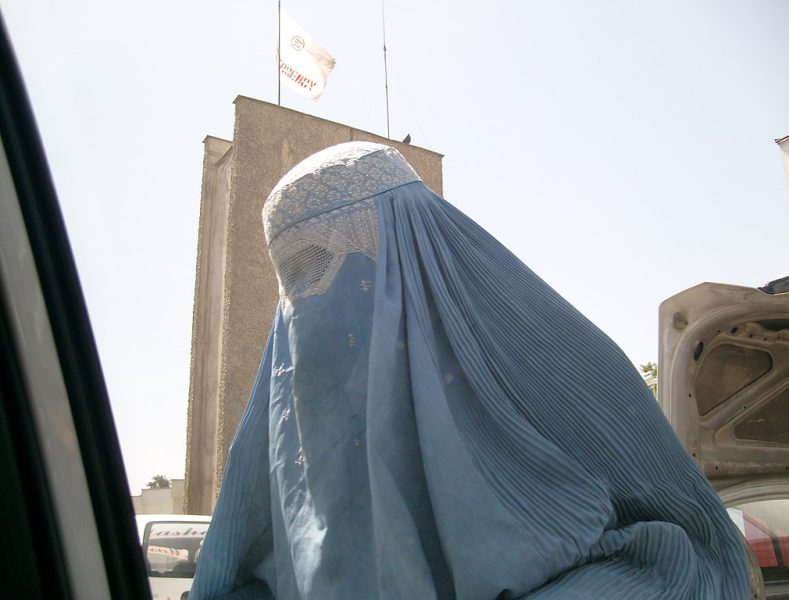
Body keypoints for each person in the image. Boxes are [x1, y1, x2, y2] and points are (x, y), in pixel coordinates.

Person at [190, 141, 750, 600]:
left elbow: (683, 548)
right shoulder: (297, 415)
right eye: (295, 275)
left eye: (327, 259)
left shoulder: (540, 356)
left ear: (413, 248)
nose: (314, 295)